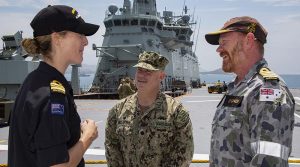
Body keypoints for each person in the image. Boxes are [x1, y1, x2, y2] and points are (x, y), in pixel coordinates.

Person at [8, 5, 99, 167]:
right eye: (80, 35)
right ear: (57, 38)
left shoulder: (34, 81)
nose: (85, 42)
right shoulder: (52, 94)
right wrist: (87, 137)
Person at [205, 16, 295, 166]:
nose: (218, 50)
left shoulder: (267, 90)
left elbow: (269, 162)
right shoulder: (238, 88)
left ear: (248, 40)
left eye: (224, 43)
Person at [105, 51, 194, 166]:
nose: (142, 75)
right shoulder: (117, 111)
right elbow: (111, 147)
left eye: (148, 71)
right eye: (140, 70)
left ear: (161, 76)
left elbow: (184, 154)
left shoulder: (176, 113)